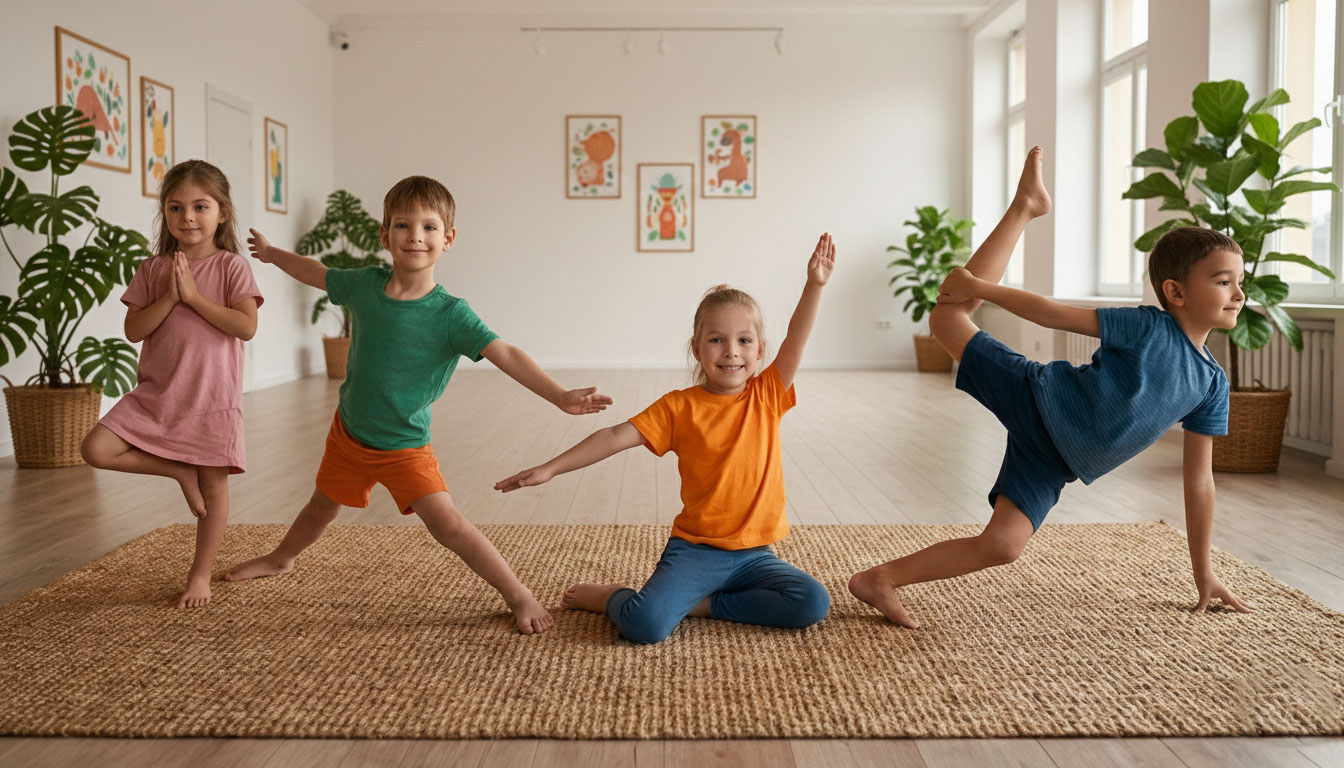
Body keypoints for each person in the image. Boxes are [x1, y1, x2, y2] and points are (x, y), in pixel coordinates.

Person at [848, 146, 1251, 628]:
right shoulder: (1147, 328)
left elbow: (1199, 481)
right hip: (1037, 397)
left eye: (1240, 283)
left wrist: (1203, 572)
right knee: (947, 316)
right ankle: (1024, 207)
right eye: (1224, 282)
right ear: (1176, 292)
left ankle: (879, 579)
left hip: (1052, 462)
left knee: (1002, 546)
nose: (1239, 294)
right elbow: (1052, 314)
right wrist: (982, 289)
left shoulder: (1211, 384)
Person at [225, 175, 611, 635]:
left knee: (448, 526)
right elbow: (316, 272)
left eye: (429, 227)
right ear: (385, 235)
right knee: (319, 508)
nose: (415, 236)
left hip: (405, 445)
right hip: (349, 433)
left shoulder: (451, 314)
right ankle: (280, 558)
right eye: (404, 226)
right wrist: (271, 256)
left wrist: (560, 395)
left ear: (447, 239)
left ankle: (518, 594)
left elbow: (504, 353)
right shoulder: (365, 285)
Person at [494, 234, 838, 644]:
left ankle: (702, 605)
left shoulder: (767, 395)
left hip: (755, 555)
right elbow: (614, 435)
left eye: (744, 340)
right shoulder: (679, 407)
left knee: (811, 603)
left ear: (760, 350)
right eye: (717, 340)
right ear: (697, 348)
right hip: (695, 551)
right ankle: (612, 597)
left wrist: (814, 285)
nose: (731, 351)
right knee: (645, 626)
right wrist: (549, 468)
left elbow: (796, 340)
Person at [81, 160, 263, 609]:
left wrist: (195, 298)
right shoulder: (153, 268)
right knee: (96, 449)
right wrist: (171, 295)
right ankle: (179, 470)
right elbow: (134, 330)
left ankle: (199, 575)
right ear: (165, 213)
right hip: (156, 393)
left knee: (215, 488)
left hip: (210, 397)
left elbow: (245, 327)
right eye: (176, 207)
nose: (188, 217)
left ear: (222, 213)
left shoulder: (231, 267)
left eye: (200, 206)